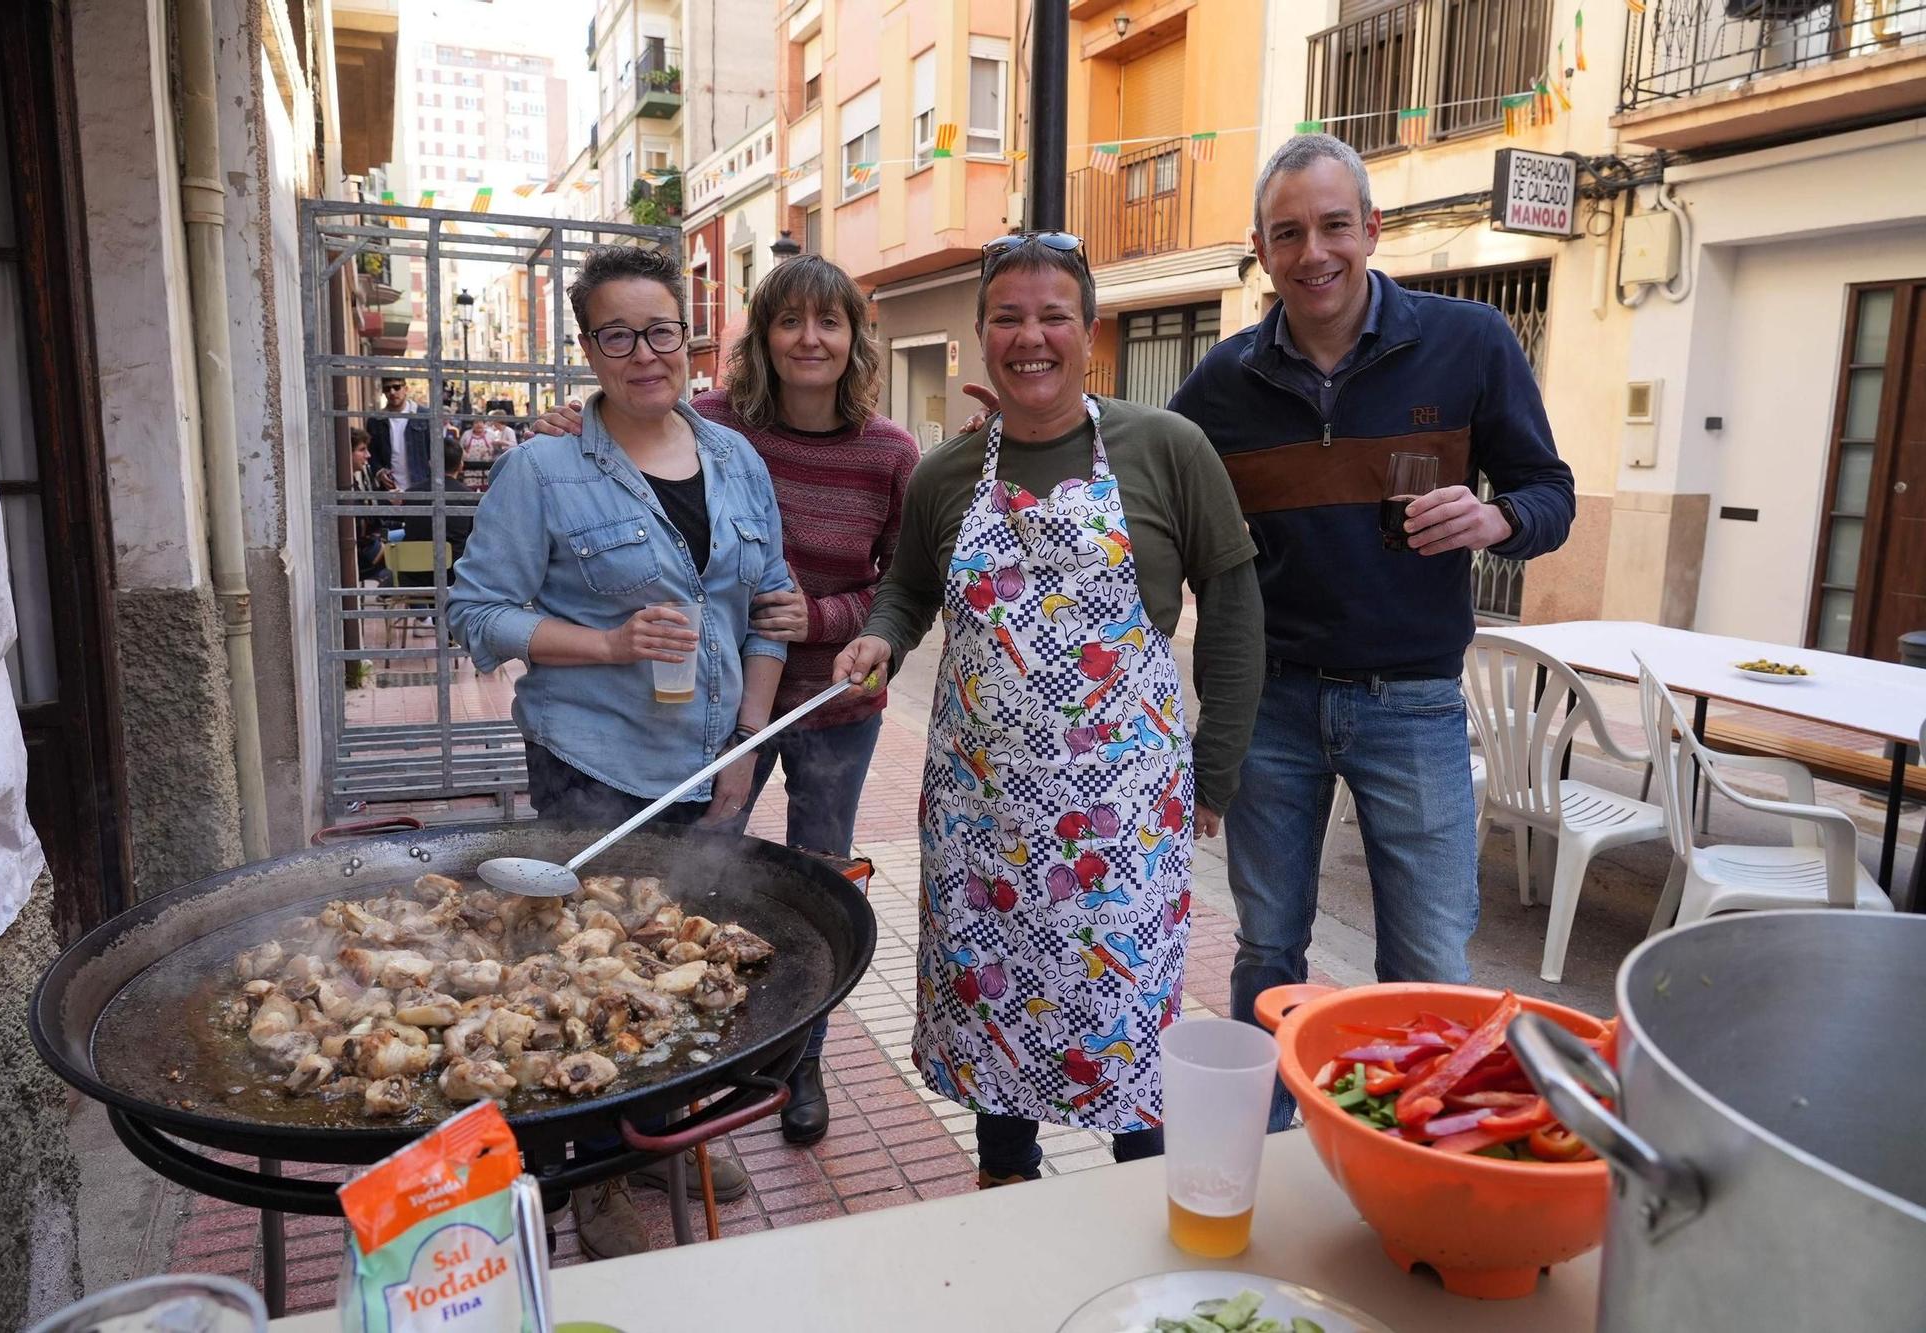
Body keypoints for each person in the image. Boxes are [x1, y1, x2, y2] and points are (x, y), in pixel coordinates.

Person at [832, 232, 1266, 1187]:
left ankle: (1137, 1200)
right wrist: (881, 637)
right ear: (982, 334)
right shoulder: (949, 473)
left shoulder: (1167, 448)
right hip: (982, 819)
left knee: (1123, 1034)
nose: (1032, 337)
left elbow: (1235, 607)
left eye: (1053, 315)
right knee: (998, 1022)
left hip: (1119, 826)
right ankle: (1005, 1187)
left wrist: (1217, 769)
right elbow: (906, 591)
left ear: (1089, 330)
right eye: (1008, 317)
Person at [1165, 134, 1577, 1131]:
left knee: (1428, 962)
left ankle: (1409, 1152)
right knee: (1266, 948)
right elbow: (1138, 490)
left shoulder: (1469, 342)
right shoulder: (1221, 384)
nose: (1314, 252)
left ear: (1371, 230)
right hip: (1269, 703)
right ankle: (1264, 1152)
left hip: (1413, 701)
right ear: (1261, 250)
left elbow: (1547, 493)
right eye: (1288, 232)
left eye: (1333, 226)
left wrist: (1497, 521)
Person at [447, 243, 795, 1258]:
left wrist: (744, 746)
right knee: (583, 970)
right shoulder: (541, 468)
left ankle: (663, 1138)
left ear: (688, 338)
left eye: (659, 330)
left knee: (682, 958)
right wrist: (604, 642)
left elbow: (768, 608)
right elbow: (478, 610)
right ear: (589, 347)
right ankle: (593, 1168)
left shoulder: (735, 459)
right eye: (616, 334)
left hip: (704, 760)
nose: (644, 353)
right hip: (588, 758)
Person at [531, 255, 919, 1148]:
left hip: (826, 702)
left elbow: (905, 584)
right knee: (707, 875)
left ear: (856, 337)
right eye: (790, 322)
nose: (810, 339)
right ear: (763, 336)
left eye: (830, 322)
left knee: (821, 881)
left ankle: (802, 1063)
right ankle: (703, 1065)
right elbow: (621, 443)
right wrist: (568, 427)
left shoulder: (890, 452)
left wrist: (823, 612)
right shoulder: (710, 425)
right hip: (713, 703)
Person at [397, 437, 478, 585]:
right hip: (455, 575)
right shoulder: (469, 497)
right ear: (461, 465)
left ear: (430, 464)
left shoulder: (411, 494)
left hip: (413, 575)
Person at [369, 376, 432, 492]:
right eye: (387, 389)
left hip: (420, 486)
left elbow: (435, 451)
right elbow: (371, 453)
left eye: (396, 387)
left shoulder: (424, 415)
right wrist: (379, 472)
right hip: (390, 489)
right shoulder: (376, 420)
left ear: (406, 389)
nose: (392, 392)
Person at [347, 428, 388, 586]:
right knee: (410, 557)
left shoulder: (352, 480)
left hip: (368, 544)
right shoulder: (343, 484)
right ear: (346, 453)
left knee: (409, 538)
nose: (368, 455)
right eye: (362, 450)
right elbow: (361, 522)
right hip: (362, 553)